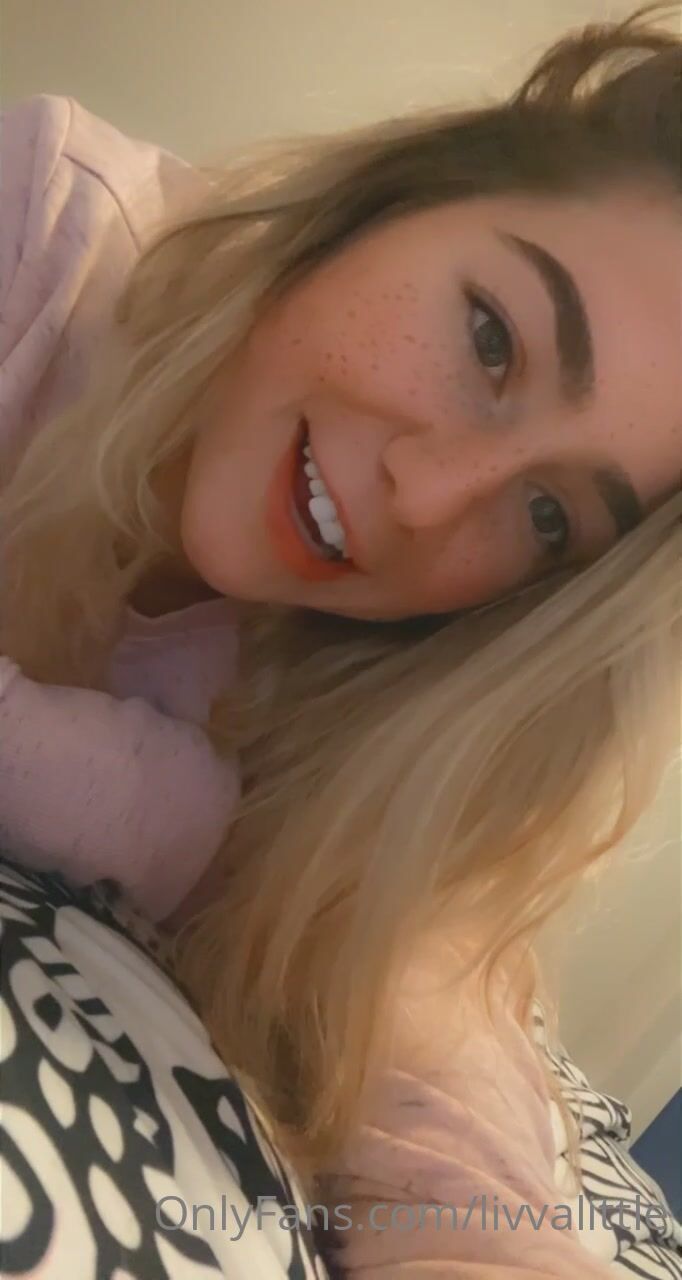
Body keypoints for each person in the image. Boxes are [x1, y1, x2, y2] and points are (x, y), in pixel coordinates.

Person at [0, 2, 680, 1275]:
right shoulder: (38, 227)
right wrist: (166, 811)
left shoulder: (363, 692)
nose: (429, 496)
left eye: (547, 514)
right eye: (490, 339)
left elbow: (435, 1068)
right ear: (395, 197)